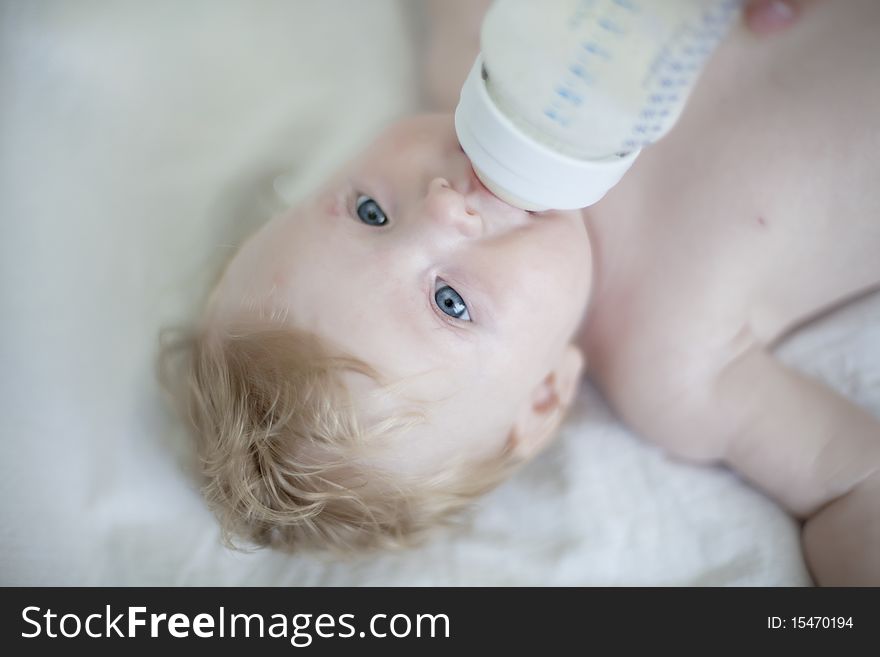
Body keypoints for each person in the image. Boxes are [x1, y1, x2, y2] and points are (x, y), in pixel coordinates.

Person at [160, 0, 880, 584]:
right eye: (450, 303)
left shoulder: (475, 47)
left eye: (370, 212)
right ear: (541, 397)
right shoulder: (673, 367)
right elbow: (854, 486)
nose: (444, 207)